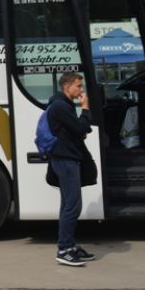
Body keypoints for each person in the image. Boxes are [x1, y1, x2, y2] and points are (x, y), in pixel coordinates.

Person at [46, 71, 96, 267]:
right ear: (67, 87)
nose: (81, 90)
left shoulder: (62, 105)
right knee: (73, 206)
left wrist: (80, 128)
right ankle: (64, 249)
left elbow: (78, 129)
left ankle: (69, 245)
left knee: (67, 205)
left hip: (65, 159)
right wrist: (85, 108)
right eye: (78, 86)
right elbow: (81, 128)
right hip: (65, 160)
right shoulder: (60, 106)